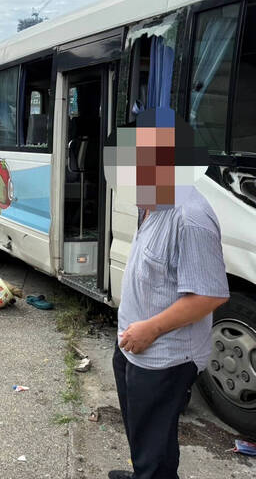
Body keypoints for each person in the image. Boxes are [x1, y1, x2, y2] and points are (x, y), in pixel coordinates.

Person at [104, 108, 229, 479]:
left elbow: (209, 296)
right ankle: (143, 469)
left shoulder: (190, 218)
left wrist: (151, 330)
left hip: (164, 356)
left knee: (156, 447)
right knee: (142, 433)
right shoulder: (152, 202)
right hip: (133, 346)